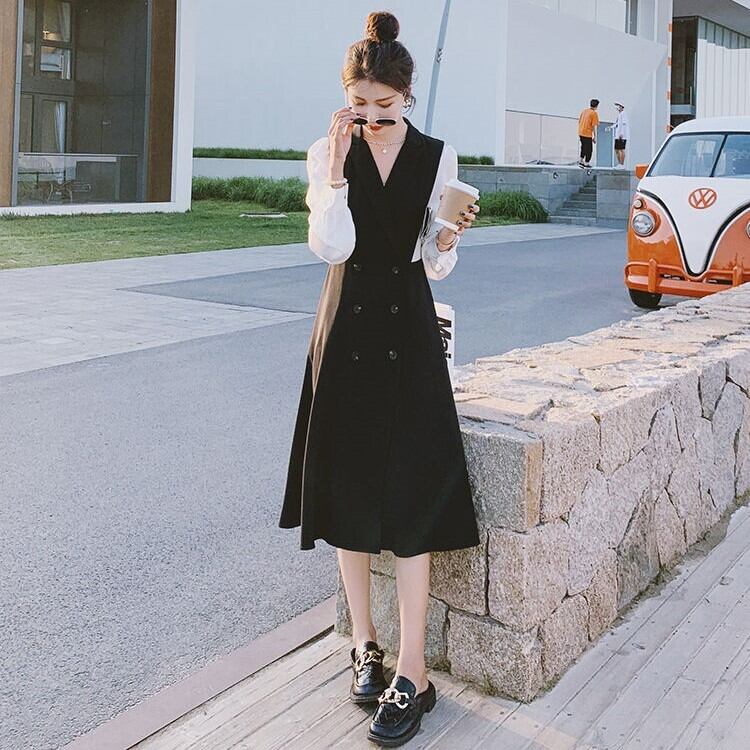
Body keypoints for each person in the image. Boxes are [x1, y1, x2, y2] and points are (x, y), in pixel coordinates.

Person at [278, 10, 481, 747]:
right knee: (348, 489)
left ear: (407, 96)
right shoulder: (325, 153)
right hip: (345, 330)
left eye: (384, 106)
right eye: (358, 104)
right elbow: (331, 246)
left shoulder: (437, 155)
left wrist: (447, 236)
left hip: (408, 332)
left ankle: (414, 670)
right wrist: (335, 172)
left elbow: (433, 261)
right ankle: (365, 645)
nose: (369, 117)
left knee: (412, 498)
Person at [578, 98, 600, 168]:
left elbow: (579, 121)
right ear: (596, 106)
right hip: (587, 134)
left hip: (581, 132)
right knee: (589, 150)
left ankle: (581, 161)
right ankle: (586, 163)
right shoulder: (594, 113)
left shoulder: (584, 111)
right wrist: (595, 137)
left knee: (583, 147)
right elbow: (594, 126)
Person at [606, 102, 629, 169]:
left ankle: (622, 164)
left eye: (618, 106)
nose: (617, 107)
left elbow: (624, 124)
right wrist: (610, 127)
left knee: (621, 149)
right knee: (616, 149)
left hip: (622, 136)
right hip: (618, 135)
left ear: (621, 107)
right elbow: (617, 124)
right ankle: (619, 164)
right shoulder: (620, 114)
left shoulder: (623, 114)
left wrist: (622, 133)